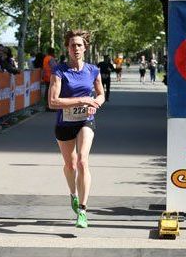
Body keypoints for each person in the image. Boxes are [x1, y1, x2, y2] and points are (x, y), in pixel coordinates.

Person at [48, 29, 105, 228]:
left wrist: (95, 104)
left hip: (85, 121)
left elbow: (100, 95)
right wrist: (81, 99)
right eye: (72, 45)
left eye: (79, 45)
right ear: (67, 48)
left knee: (82, 161)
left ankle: (82, 210)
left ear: (85, 48)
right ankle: (72, 193)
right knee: (70, 166)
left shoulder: (93, 70)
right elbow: (52, 102)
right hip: (64, 123)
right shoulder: (59, 71)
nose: (76, 48)